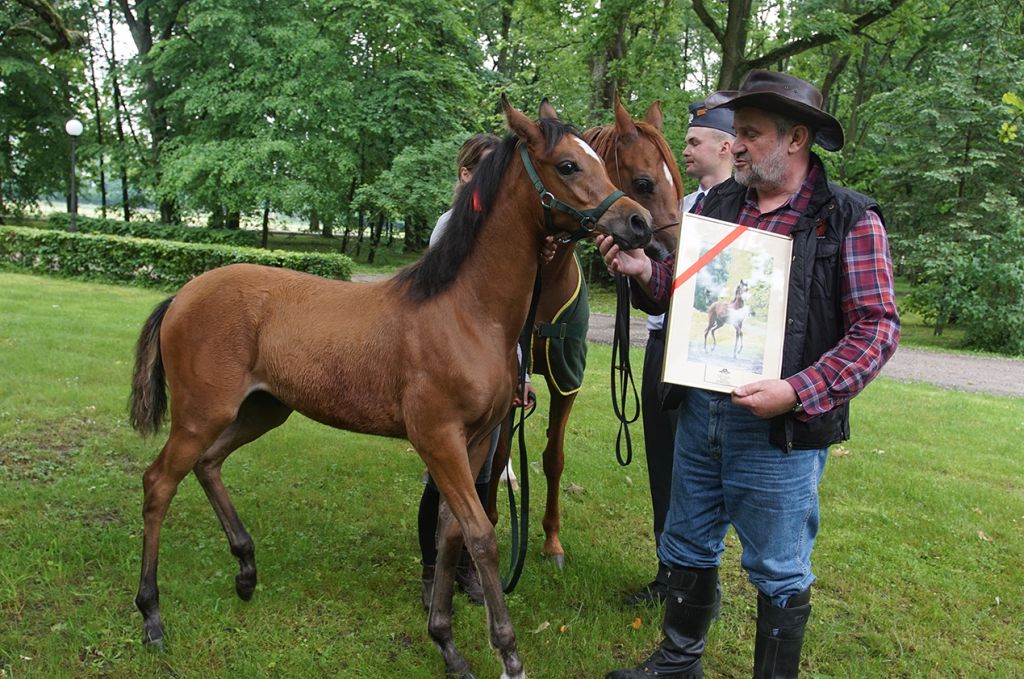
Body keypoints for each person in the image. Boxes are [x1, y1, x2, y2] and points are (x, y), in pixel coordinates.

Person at [600, 70, 900, 678]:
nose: (733, 144)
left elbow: (877, 329)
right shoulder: (717, 205)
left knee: (779, 566)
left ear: (795, 139)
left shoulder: (847, 219)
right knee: (686, 541)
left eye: (749, 134)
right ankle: (678, 663)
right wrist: (641, 272)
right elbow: (687, 294)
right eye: (734, 133)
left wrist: (796, 391)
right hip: (701, 410)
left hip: (779, 429)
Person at [418, 133, 549, 609]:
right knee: (441, 479)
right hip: (453, 374)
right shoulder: (451, 226)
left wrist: (521, 372)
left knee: (483, 475)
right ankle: (432, 571)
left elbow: (511, 318)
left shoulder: (510, 231)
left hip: (494, 371)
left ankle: (464, 567)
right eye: (489, 170)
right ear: (467, 175)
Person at [627, 101, 736, 607]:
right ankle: (668, 573)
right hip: (661, 346)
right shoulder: (681, 206)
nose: (683, 150)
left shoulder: (744, 210)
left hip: (707, 356)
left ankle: (696, 579)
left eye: (693, 142)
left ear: (725, 145)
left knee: (704, 472)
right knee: (664, 463)